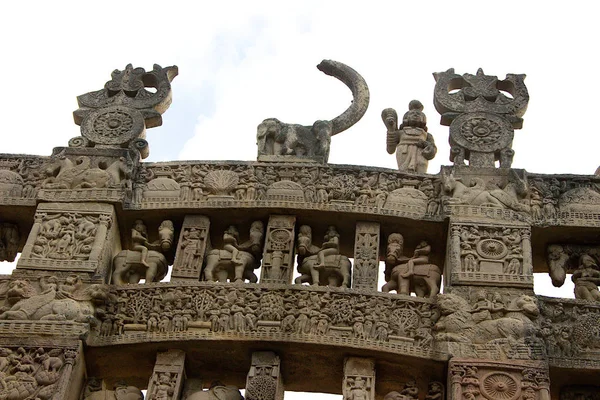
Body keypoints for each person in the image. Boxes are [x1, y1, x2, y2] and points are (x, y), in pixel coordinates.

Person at [383, 100, 437, 174]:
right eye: (412, 114)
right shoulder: (401, 132)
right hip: (404, 151)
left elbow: (432, 149)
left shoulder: (427, 135)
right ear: (406, 118)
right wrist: (391, 129)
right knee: (404, 172)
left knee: (421, 169)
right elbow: (390, 149)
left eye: (418, 114)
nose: (415, 115)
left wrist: (425, 144)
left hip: (420, 153)